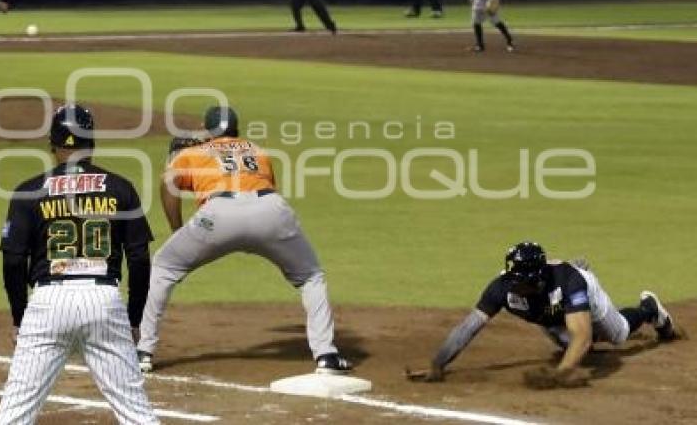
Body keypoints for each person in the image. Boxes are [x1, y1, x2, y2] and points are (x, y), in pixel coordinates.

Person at [137, 106, 352, 375]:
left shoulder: (190, 153)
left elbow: (169, 185)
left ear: (208, 129)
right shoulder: (257, 150)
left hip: (219, 216)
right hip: (271, 210)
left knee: (164, 266)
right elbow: (263, 184)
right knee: (311, 277)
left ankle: (143, 352)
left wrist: (177, 230)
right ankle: (326, 356)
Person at [0, 104, 159, 425]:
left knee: (13, 412)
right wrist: (134, 319)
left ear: (52, 145)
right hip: (104, 301)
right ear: (91, 143)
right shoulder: (120, 188)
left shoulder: (29, 191)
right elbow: (139, 259)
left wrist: (19, 317)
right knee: (137, 413)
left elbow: (13, 260)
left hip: (48, 302)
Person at [414, 242, 681, 388]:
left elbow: (583, 337)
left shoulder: (570, 283)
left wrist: (561, 373)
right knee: (571, 345)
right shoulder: (502, 287)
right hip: (549, 313)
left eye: (519, 278)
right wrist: (439, 363)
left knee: (618, 335)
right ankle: (574, 335)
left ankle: (650, 309)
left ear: (535, 279)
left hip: (582, 292)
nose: (511, 281)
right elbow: (468, 327)